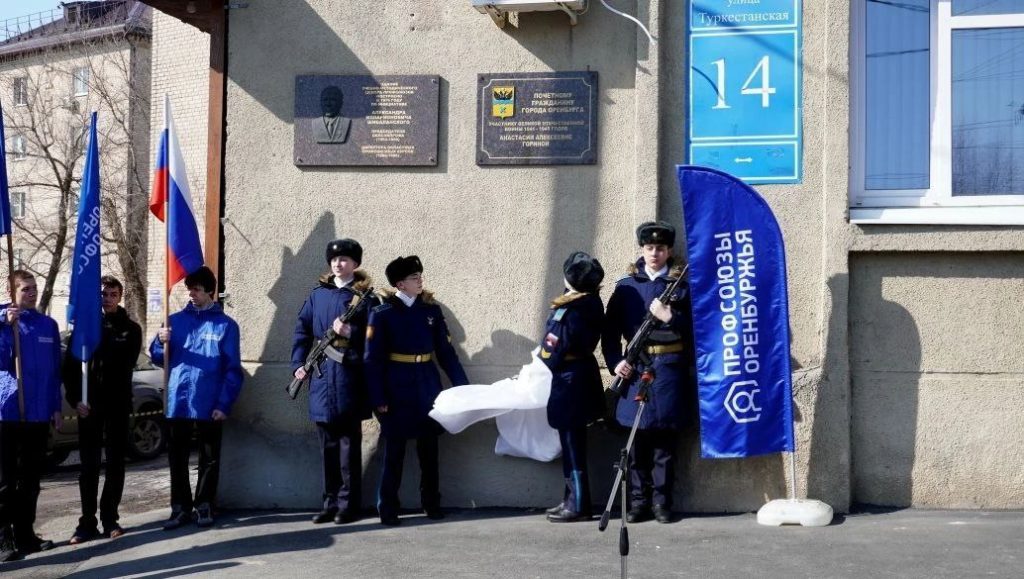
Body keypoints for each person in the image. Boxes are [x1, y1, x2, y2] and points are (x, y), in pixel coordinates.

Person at [365, 256, 468, 526]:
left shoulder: (430, 312)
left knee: (429, 450)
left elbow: (446, 354)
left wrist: (463, 388)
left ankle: (431, 503)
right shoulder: (383, 313)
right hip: (396, 388)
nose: (420, 280)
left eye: (420, 276)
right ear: (400, 284)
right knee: (394, 452)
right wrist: (378, 397)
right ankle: (388, 507)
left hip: (427, 385)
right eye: (414, 277)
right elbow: (372, 360)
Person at [602, 221, 694, 524]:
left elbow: (699, 332)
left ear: (669, 251)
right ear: (642, 249)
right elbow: (610, 332)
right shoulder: (627, 286)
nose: (655, 253)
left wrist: (670, 318)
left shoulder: (681, 287)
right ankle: (639, 502)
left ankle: (661, 503)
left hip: (669, 371)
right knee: (636, 441)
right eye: (650, 247)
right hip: (635, 370)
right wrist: (616, 361)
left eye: (661, 248)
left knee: (664, 443)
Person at [150, 266, 243, 530]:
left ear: (210, 291)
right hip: (177, 401)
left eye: (197, 290)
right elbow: (158, 358)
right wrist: (160, 342)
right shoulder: (174, 321)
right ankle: (180, 507)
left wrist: (224, 404)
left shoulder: (226, 326)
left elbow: (232, 370)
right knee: (177, 458)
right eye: (189, 289)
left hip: (209, 403)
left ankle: (204, 504)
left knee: (209, 457)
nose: (192, 294)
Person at [292, 239, 375, 525]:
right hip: (321, 377)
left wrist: (353, 332)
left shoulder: (365, 299)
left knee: (348, 449)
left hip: (349, 378)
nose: (338, 264)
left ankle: (348, 506)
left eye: (345, 259)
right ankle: (329, 504)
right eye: (335, 259)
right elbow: (302, 330)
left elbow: (376, 339)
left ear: (355, 264)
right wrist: (298, 365)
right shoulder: (318, 295)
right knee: (327, 448)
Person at [63, 276, 142, 544]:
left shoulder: (131, 329)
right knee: (89, 465)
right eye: (103, 294)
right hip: (90, 406)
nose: (107, 299)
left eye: (112, 294)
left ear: (120, 297)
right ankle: (87, 522)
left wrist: (103, 333)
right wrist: (76, 399)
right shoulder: (84, 328)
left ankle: (110, 518)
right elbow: (70, 369)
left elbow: (125, 363)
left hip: (117, 404)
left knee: (116, 463)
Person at [0, 270, 61, 562]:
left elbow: (54, 371)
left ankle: (26, 534)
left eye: (34, 287)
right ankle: (3, 538)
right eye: (25, 289)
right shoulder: (4, 322)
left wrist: (56, 407)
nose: (32, 293)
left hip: (38, 414)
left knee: (31, 480)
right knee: (5, 481)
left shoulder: (48, 325)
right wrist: (5, 328)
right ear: (11, 292)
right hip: (8, 412)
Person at [540, 252, 605, 523]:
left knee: (571, 444)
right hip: (584, 375)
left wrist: (542, 360)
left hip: (568, 380)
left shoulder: (569, 309)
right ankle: (571, 498)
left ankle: (578, 504)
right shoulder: (593, 302)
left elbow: (550, 350)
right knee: (573, 442)